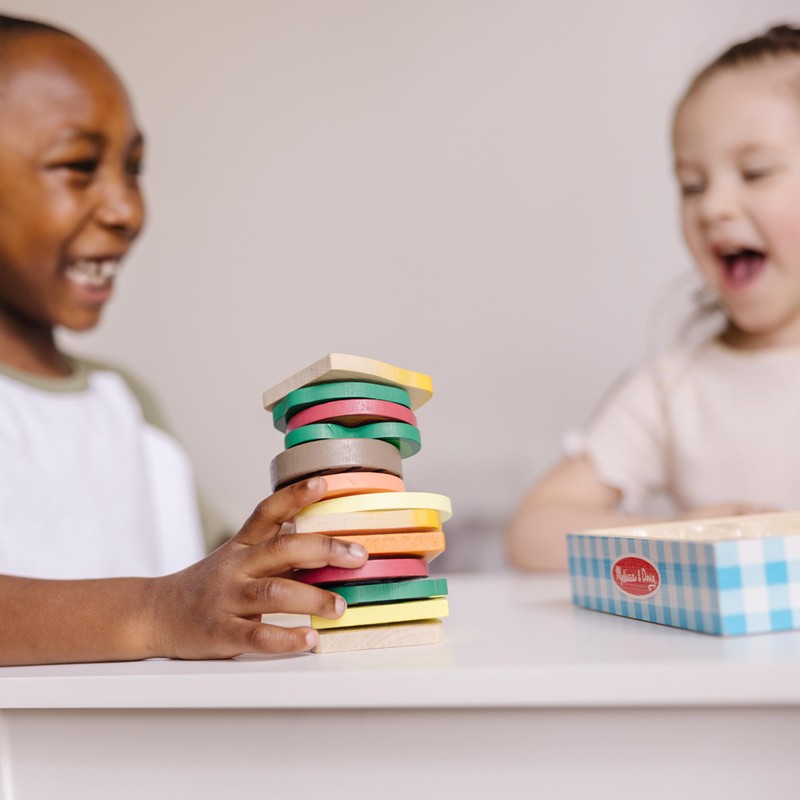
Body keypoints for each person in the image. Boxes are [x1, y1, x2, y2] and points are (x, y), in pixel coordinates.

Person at [0, 13, 367, 665]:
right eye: (78, 166)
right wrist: (154, 611)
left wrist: (314, 546)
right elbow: (174, 605)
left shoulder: (126, 404)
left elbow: (206, 584)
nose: (127, 210)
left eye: (133, 169)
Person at [507, 24, 800, 571]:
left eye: (754, 172)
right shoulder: (675, 388)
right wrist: (681, 536)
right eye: (692, 185)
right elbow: (533, 531)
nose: (712, 207)